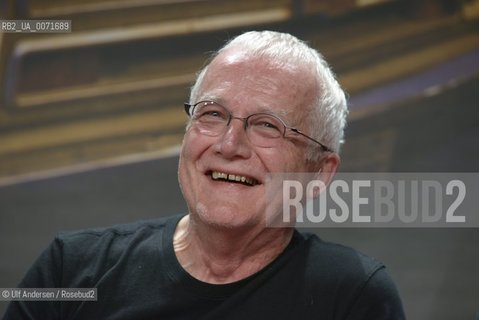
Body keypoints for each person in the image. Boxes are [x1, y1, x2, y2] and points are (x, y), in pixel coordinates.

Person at [3, 30, 405, 319]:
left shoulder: (351, 296)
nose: (229, 145)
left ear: (318, 174)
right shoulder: (72, 270)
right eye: (212, 114)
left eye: (267, 125)